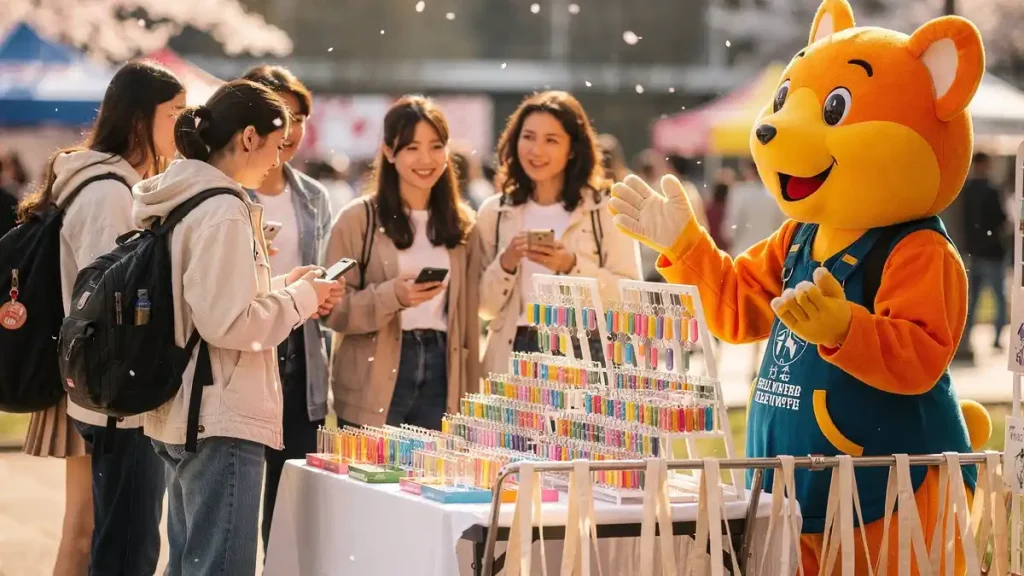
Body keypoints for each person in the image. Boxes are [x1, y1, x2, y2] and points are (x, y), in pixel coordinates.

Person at [134, 79, 343, 575]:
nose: (278, 160)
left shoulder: (181, 195)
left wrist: (281, 287)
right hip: (220, 412)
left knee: (188, 558)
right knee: (220, 565)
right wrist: (300, 298)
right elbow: (229, 323)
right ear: (249, 137)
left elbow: (208, 301)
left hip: (182, 405)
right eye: (275, 145)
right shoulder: (223, 207)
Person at [17, 60, 184, 576]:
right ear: (139, 121)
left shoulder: (99, 181)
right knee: (116, 540)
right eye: (175, 113)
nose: (185, 125)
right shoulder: (110, 191)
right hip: (113, 388)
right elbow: (109, 304)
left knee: (91, 530)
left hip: (94, 381)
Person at [323, 95, 479, 430]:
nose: (426, 159)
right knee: (369, 477)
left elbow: (468, 319)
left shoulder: (463, 223)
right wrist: (393, 296)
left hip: (442, 371)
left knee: (431, 481)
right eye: (411, 148)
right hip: (374, 372)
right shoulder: (358, 219)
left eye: (436, 146)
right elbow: (333, 309)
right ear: (389, 152)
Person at [476, 91, 641, 376]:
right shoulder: (495, 212)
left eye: (551, 140)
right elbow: (483, 307)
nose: (536, 150)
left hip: (588, 349)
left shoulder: (604, 209)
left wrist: (571, 267)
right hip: (514, 350)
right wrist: (507, 262)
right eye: (528, 137)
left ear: (573, 148)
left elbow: (631, 299)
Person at [239, 64, 336, 553]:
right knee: (232, 499)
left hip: (301, 356)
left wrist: (326, 294)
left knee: (288, 505)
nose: (291, 129)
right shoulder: (226, 191)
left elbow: (316, 271)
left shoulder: (313, 196)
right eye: (279, 115)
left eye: (299, 116)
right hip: (243, 349)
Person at [963, 152, 1009, 351]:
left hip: (974, 251)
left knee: (973, 300)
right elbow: (1001, 219)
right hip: (993, 252)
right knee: (998, 297)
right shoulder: (991, 190)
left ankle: (966, 338)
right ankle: (997, 338)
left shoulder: (966, 191)